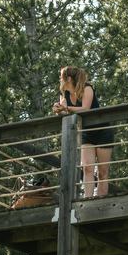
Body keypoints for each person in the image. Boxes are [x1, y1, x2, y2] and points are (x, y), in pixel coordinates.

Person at [52, 66, 113, 197]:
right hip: (86, 133)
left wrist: (66, 108)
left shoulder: (87, 88)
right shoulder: (65, 94)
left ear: (68, 78)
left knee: (102, 172)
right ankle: (88, 199)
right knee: (87, 168)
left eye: (60, 77)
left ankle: (101, 200)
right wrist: (58, 110)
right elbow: (64, 112)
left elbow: (85, 109)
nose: (59, 80)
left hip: (102, 131)